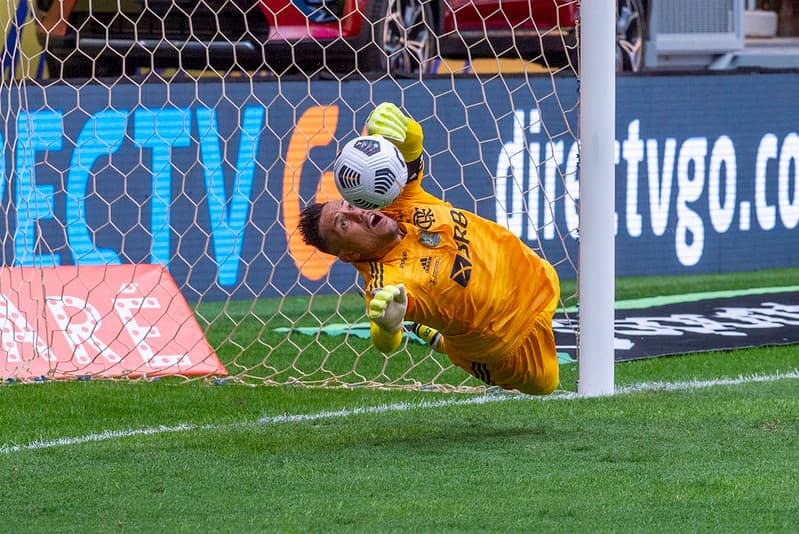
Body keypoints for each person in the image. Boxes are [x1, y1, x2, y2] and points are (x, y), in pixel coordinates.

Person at [298, 103, 561, 395]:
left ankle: (427, 329)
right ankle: (436, 337)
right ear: (349, 255)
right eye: (344, 225)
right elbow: (385, 336)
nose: (356, 214)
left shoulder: (399, 201)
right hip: (511, 342)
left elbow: (413, 144)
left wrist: (399, 125)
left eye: (349, 206)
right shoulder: (387, 281)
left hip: (536, 275)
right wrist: (388, 325)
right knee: (546, 384)